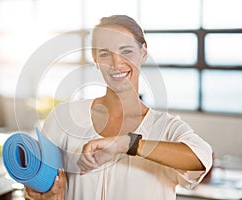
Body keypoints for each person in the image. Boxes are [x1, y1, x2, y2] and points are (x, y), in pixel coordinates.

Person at [25, 15, 213, 200]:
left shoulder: (165, 127)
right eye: (105, 54)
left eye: (126, 51)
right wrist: (38, 196)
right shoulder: (64, 117)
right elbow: (39, 186)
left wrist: (126, 144)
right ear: (95, 59)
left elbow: (201, 158)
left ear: (143, 53)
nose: (116, 64)